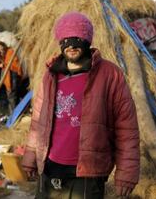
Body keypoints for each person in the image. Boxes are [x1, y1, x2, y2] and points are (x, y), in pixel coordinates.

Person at [21, 12, 140, 198]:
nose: (72, 45)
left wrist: (127, 173)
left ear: (88, 40)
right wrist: (30, 157)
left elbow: (127, 127)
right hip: (50, 167)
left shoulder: (109, 74)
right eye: (66, 39)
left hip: (87, 173)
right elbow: (38, 121)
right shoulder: (51, 75)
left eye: (78, 38)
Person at [0, 41, 23, 115]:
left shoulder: (10, 51)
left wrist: (3, 65)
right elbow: (1, 67)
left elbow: (14, 63)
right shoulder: (1, 55)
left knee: (13, 94)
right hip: (7, 76)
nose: (0, 49)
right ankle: (13, 113)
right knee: (10, 95)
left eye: (1, 46)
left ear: (4, 45)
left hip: (13, 75)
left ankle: (15, 113)